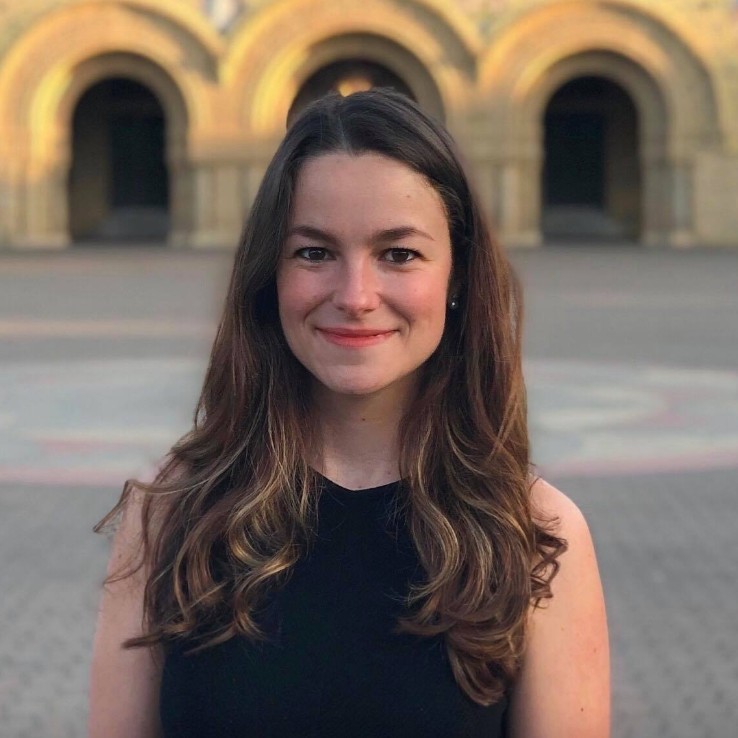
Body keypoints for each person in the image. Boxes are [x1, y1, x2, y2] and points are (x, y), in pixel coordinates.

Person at [88, 88, 609, 737]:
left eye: (399, 254)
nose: (356, 296)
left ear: (457, 277)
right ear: (269, 273)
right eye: (314, 252)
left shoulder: (535, 532)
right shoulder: (171, 512)